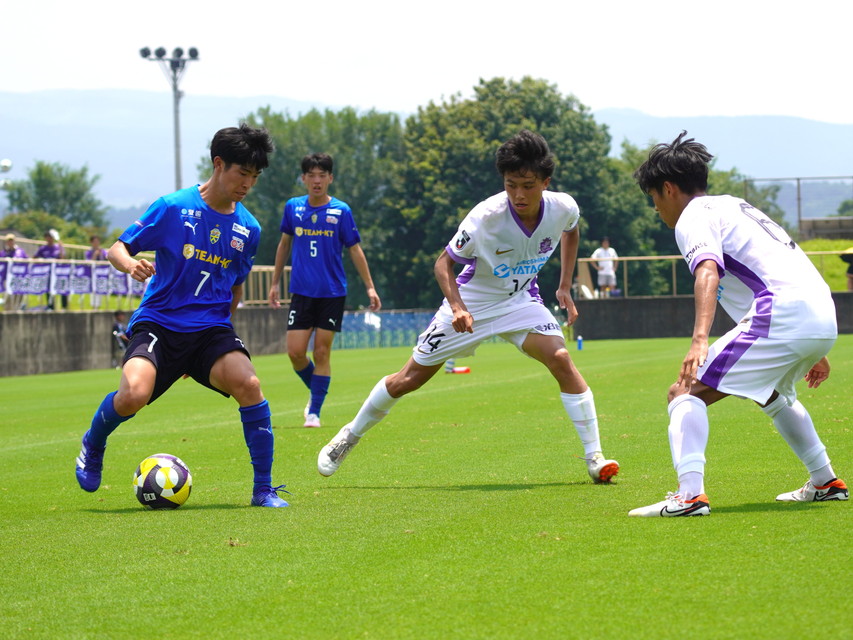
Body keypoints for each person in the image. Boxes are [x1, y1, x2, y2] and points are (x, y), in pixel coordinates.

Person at [317, 130, 619, 483]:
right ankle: (349, 435)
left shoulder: (563, 207)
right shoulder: (485, 217)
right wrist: (458, 308)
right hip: (472, 300)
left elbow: (571, 231)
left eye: (528, 185)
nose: (519, 195)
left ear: (545, 182)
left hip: (520, 300)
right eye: (511, 185)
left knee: (561, 358)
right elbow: (443, 264)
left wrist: (565, 284)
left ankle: (594, 457)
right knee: (407, 380)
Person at [629, 131, 847, 517]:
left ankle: (689, 497)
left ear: (668, 188)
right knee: (771, 394)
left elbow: (707, 272)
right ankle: (825, 482)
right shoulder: (734, 206)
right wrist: (815, 345)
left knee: (683, 392)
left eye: (654, 199)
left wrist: (699, 339)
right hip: (820, 313)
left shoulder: (692, 217)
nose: (657, 209)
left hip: (783, 314)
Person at [74, 123, 290, 508]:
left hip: (210, 331)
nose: (248, 184)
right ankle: (94, 441)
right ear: (218, 164)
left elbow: (235, 288)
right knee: (133, 395)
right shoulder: (173, 207)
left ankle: (263, 489)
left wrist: (217, 344)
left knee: (250, 384)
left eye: (255, 177)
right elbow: (117, 249)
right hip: (159, 323)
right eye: (242, 173)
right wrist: (131, 265)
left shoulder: (249, 228)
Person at [268, 152, 381, 429]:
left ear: (330, 178)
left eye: (322, 175)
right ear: (303, 179)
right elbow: (284, 245)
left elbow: (355, 249)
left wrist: (370, 287)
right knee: (295, 353)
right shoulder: (293, 207)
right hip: (302, 291)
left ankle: (314, 412)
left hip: (332, 292)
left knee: (321, 353)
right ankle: (317, 391)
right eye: (311, 176)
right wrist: (274, 283)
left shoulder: (341, 211)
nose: (316, 181)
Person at [34, 229, 67, 310]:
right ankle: (51, 307)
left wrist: (61, 248)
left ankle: (64, 307)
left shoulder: (58, 247)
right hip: (47, 273)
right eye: (48, 237)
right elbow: (34, 258)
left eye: (51, 237)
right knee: (49, 289)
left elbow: (62, 259)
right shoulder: (43, 248)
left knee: (62, 287)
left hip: (58, 272)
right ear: (45, 238)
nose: (50, 238)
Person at [2, 233, 28, 311]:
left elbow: (27, 261)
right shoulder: (3, 252)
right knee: (8, 297)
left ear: (14, 241)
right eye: (8, 241)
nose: (10, 242)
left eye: (11, 240)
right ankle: (8, 312)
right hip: (7, 278)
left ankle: (17, 311)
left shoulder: (20, 251)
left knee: (18, 296)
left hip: (18, 278)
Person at [86, 235, 109, 309]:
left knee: (100, 290)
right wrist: (95, 255)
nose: (96, 243)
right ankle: (93, 306)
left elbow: (107, 258)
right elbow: (88, 263)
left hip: (101, 274)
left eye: (97, 241)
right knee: (93, 290)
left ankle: (98, 306)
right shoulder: (88, 252)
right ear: (91, 242)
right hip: (92, 274)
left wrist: (102, 254)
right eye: (94, 241)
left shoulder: (102, 251)